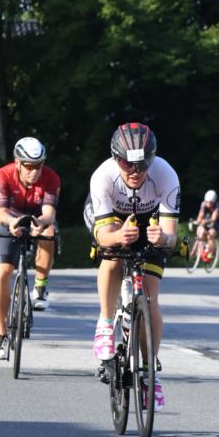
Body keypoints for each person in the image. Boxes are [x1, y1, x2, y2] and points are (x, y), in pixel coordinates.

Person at [85, 122, 180, 410]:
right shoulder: (103, 176)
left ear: (152, 159)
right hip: (112, 221)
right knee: (111, 253)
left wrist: (162, 237)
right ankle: (104, 323)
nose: (135, 171)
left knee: (150, 302)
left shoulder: (166, 175)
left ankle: (150, 373)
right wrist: (116, 236)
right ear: (116, 159)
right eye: (127, 164)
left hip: (149, 224)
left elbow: (171, 236)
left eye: (142, 164)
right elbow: (102, 235)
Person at [0, 137, 60, 360]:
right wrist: (11, 223)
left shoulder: (51, 177)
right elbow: (1, 212)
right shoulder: (3, 174)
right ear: (18, 163)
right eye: (29, 166)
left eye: (38, 165)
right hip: (8, 220)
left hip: (37, 218)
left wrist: (40, 224)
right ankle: (1, 333)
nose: (34, 171)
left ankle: (40, 287)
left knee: (49, 233)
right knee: (2, 272)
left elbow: (49, 213)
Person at [195, 189, 219, 260]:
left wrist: (205, 221)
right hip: (208, 219)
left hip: (217, 221)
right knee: (200, 230)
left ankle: (211, 253)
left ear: (214, 201)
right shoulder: (203, 204)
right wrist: (197, 221)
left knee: (210, 234)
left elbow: (214, 218)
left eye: (211, 202)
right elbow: (201, 214)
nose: (208, 204)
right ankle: (201, 249)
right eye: (207, 202)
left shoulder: (218, 205)